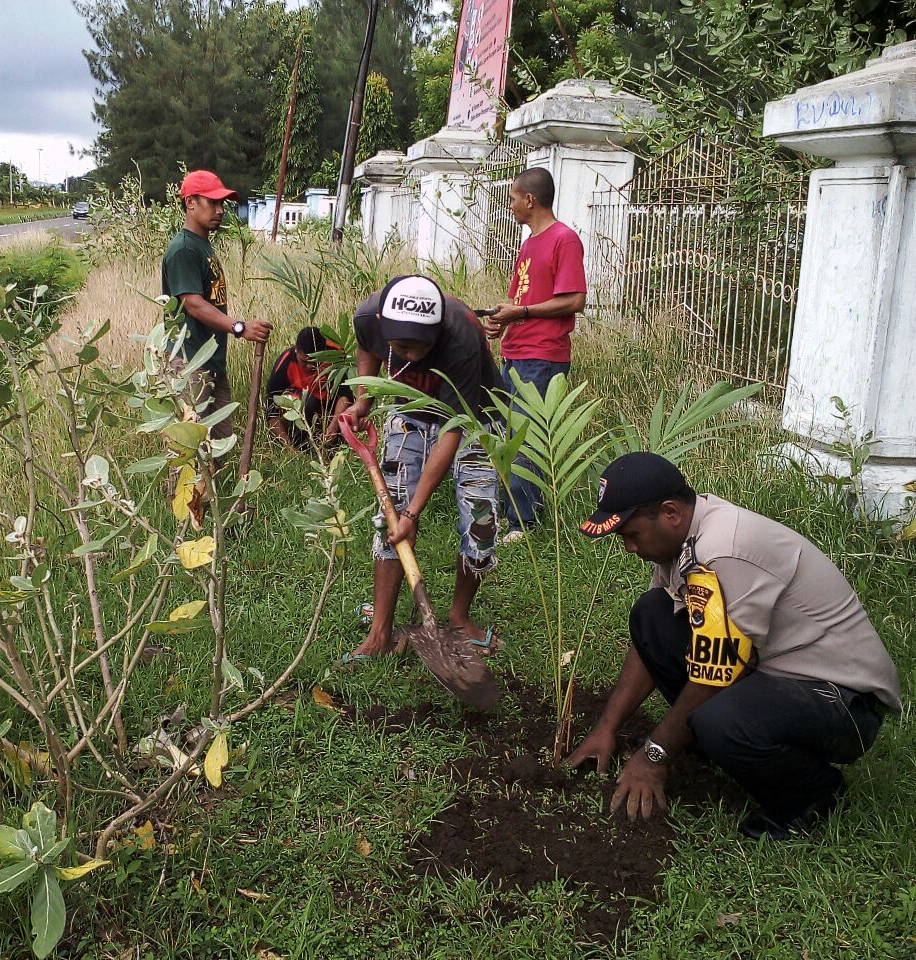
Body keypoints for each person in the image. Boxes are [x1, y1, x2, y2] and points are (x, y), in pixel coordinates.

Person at [566, 452, 901, 840]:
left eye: (631, 534)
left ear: (670, 512)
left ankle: (813, 795)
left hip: (842, 701)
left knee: (718, 719)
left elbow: (715, 676)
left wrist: (653, 754)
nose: (628, 547)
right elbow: (650, 643)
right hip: (775, 670)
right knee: (653, 614)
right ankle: (713, 742)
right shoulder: (685, 539)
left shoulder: (723, 548)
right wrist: (606, 727)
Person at [341, 274, 505, 660]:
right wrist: (363, 399)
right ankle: (380, 631)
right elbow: (367, 348)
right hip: (410, 410)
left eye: (421, 347)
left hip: (473, 417)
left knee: (481, 522)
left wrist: (415, 512)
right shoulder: (370, 315)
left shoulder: (462, 332)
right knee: (390, 517)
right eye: (402, 347)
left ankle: (459, 617)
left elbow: (452, 433)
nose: (412, 356)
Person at [485, 167, 587, 541]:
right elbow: (520, 298)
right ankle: (513, 509)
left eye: (513, 198)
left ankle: (523, 522)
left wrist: (522, 313)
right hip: (517, 351)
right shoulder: (528, 244)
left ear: (530, 200)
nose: (510, 205)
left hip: (543, 356)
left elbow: (575, 299)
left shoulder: (564, 239)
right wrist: (501, 321)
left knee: (528, 437)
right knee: (511, 434)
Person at [160, 170, 271, 441]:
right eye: (213, 202)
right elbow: (193, 304)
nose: (220, 210)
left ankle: (215, 486)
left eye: (223, 203)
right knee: (189, 450)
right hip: (189, 362)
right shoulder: (184, 249)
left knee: (219, 443)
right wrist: (239, 327)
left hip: (210, 360)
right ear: (190, 203)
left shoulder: (202, 246)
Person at [266, 326, 353, 449]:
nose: (310, 367)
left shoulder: (336, 354)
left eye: (316, 362)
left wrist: (333, 426)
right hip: (301, 409)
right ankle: (302, 444)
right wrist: (288, 447)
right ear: (296, 350)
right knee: (308, 402)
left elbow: (346, 396)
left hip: (330, 405)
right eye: (304, 362)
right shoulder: (284, 364)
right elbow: (271, 412)